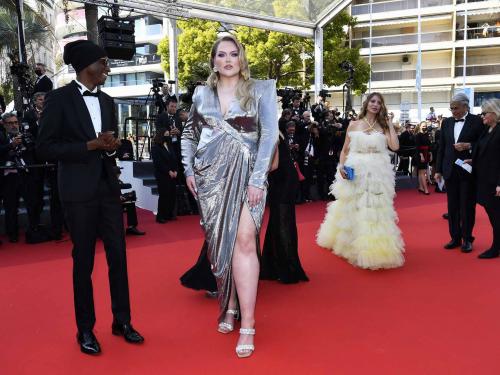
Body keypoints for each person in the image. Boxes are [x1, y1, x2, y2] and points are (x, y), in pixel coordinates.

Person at [36, 40, 144, 355]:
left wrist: (111, 145)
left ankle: (121, 321)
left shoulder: (108, 101)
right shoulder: (59, 100)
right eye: (104, 63)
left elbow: (107, 143)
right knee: (83, 262)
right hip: (77, 192)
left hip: (108, 189)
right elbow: (44, 148)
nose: (108, 69)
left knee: (118, 257)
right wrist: (88, 146)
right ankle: (85, 329)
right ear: (87, 66)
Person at [181, 34, 277, 358]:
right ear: (213, 60)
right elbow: (189, 134)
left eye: (233, 54)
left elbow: (269, 137)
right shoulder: (201, 94)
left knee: (246, 240)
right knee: (220, 245)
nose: (227, 60)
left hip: (250, 175)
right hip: (211, 179)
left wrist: (258, 178)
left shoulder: (261, 89)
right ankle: (230, 303)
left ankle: (248, 322)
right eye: (221, 55)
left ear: (242, 58)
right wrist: (189, 171)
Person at [316, 92, 404, 270]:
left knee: (375, 209)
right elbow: (344, 150)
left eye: (379, 102)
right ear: (366, 103)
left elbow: (395, 147)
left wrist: (389, 125)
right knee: (353, 207)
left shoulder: (383, 126)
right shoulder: (354, 124)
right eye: (372, 101)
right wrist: (341, 166)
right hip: (356, 169)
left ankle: (374, 247)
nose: (375, 104)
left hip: (378, 171)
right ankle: (350, 243)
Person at [435, 93, 483, 253]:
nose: (453, 111)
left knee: (467, 206)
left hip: (467, 170)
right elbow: (442, 147)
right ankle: (455, 237)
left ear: (465, 106)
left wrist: (469, 146)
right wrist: (438, 170)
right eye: (451, 108)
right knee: (453, 206)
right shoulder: (447, 122)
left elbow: (483, 144)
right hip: (450, 170)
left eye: (456, 108)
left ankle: (467, 239)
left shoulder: (477, 121)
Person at [261, 131, 308, 283]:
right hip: (280, 179)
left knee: (282, 222)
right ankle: (273, 265)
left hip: (284, 181)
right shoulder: (271, 128)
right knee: (276, 221)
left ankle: (288, 268)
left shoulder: (270, 131)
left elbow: (273, 165)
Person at [471, 99, 500, 258]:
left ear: (494, 113)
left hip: (495, 182)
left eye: (484, 113)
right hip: (484, 180)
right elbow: (482, 150)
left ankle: (496, 248)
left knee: (496, 216)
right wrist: (473, 160)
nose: (482, 116)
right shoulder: (487, 130)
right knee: (493, 215)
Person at [151, 129, 178, 223]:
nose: (168, 136)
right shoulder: (155, 148)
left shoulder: (170, 146)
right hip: (162, 175)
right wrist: (168, 171)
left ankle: (169, 214)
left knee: (172, 194)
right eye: (166, 134)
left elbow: (175, 159)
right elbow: (158, 162)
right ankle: (161, 216)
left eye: (168, 134)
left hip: (172, 175)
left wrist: (175, 171)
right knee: (164, 195)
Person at [415, 121, 433, 195]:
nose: (424, 127)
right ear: (420, 126)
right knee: (423, 172)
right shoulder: (418, 135)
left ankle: (420, 187)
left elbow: (429, 145)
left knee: (420, 172)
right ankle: (425, 189)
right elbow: (417, 146)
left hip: (426, 154)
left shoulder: (426, 135)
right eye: (423, 126)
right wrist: (421, 155)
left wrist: (431, 154)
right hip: (420, 155)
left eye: (425, 126)